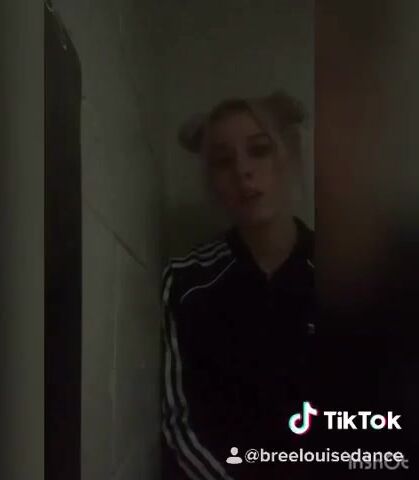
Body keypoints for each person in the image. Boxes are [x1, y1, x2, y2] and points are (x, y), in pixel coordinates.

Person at [160, 91, 316, 480]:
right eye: (223, 161)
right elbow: (178, 424)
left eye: (259, 150)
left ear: (287, 158)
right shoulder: (187, 283)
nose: (243, 171)